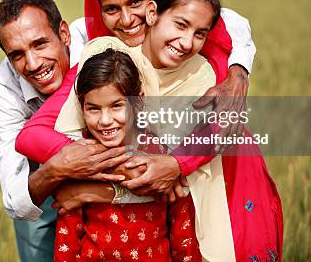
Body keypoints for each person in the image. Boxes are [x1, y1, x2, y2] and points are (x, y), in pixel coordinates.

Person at [19, 0, 283, 261]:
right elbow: (32, 136)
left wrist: (96, 191)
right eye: (112, 9)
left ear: (148, 5)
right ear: (154, 13)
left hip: (224, 186)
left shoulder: (205, 72)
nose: (186, 41)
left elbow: (232, 22)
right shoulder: (113, 63)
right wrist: (77, 165)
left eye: (199, 33)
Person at [0, 0, 130, 261]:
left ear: (64, 33)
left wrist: (238, 70)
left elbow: (205, 14)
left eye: (40, 44)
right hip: (47, 193)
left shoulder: (93, 40)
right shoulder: (2, 87)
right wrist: (57, 168)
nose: (33, 63)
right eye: (17, 54)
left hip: (123, 177)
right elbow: (15, 194)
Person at [53, 48, 201, 261]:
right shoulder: (79, 160)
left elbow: (183, 232)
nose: (105, 120)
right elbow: (66, 242)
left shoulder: (161, 157)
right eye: (93, 108)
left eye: (116, 106)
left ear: (137, 100)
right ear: (81, 105)